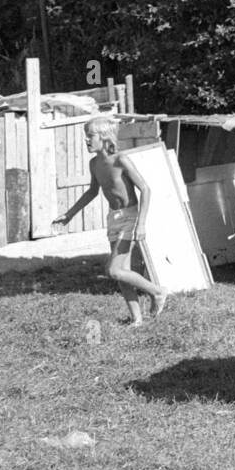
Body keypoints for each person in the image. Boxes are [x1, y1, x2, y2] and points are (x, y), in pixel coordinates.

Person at [54, 115, 168, 325]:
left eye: (90, 136)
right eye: (86, 136)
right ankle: (137, 319)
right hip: (113, 218)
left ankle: (157, 291)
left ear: (105, 137)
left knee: (114, 270)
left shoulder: (121, 160)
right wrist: (69, 214)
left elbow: (145, 189)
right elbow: (92, 192)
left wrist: (141, 223)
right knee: (121, 273)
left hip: (130, 216)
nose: (86, 140)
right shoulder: (94, 164)